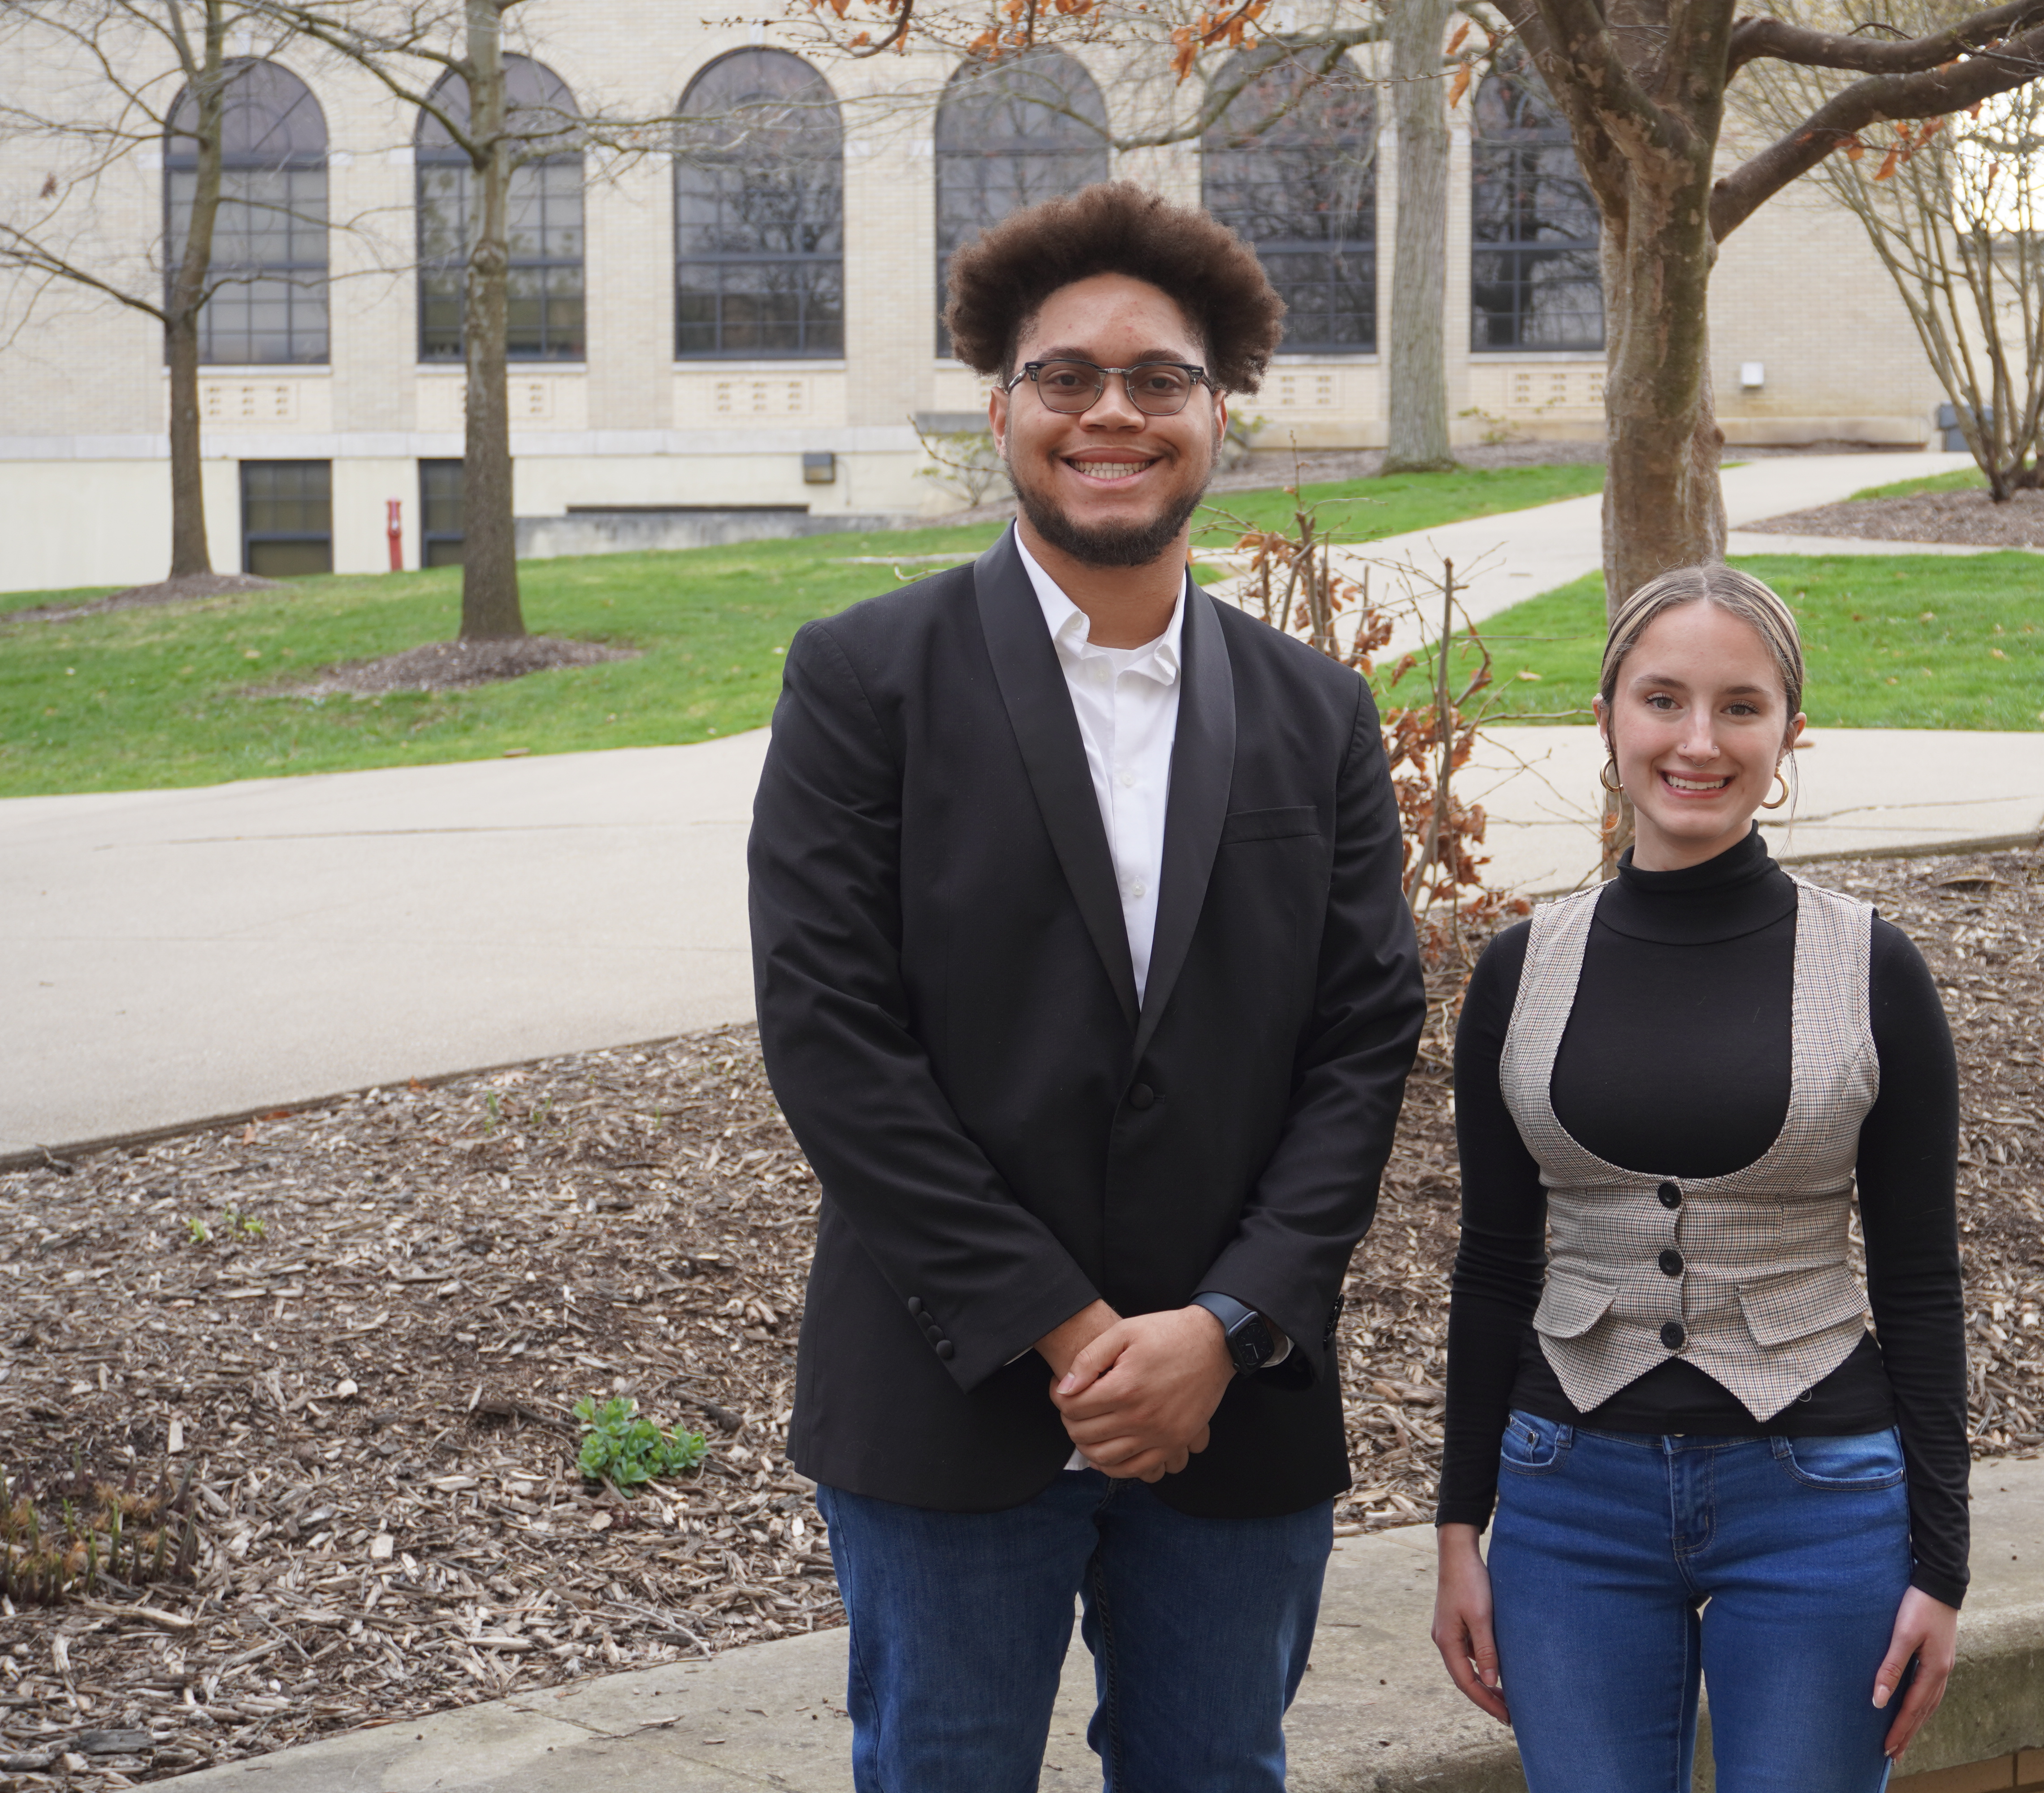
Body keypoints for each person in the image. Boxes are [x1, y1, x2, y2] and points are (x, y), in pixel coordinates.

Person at [748, 181, 1425, 1793]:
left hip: (1236, 1402)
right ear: (1001, 408)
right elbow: (832, 1040)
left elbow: (1363, 1037)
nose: (1110, 412)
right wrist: (1063, 1329)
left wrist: (1227, 1324)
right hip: (949, 1393)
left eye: (1157, 379)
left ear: (1217, 413)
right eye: (1067, 376)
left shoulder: (1316, 713)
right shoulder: (861, 681)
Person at [1429, 564, 1970, 1793]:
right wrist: (1460, 1527)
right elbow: (1494, 1264)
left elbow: (1923, 1287)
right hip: (1568, 1502)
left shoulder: (1873, 967)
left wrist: (1943, 1565)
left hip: (1820, 1499)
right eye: (1663, 699)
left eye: (1741, 707)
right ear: (1609, 715)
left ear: (1789, 733)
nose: (1697, 741)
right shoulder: (1523, 970)